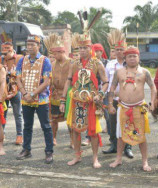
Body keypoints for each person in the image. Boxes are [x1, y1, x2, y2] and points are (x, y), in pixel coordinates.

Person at [60, 9, 108, 168]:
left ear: (91, 49)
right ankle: (77, 156)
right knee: (75, 130)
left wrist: (100, 94)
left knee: (93, 131)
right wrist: (63, 100)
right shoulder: (74, 63)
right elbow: (68, 81)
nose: (82, 51)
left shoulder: (97, 63)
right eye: (80, 48)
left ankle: (95, 158)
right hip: (75, 101)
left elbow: (106, 82)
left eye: (85, 48)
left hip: (91, 101)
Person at [108, 46, 156, 171]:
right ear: (125, 58)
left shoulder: (144, 72)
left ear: (138, 57)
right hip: (123, 107)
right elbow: (112, 88)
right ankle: (118, 159)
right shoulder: (119, 72)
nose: (132, 58)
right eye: (129, 56)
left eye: (134, 56)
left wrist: (153, 102)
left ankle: (145, 161)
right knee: (120, 135)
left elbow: (153, 87)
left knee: (141, 135)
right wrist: (109, 104)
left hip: (139, 107)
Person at [15, 35, 54, 164]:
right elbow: (18, 78)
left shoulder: (45, 61)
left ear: (38, 46)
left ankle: (49, 151)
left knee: (46, 126)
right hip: (26, 98)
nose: (30, 47)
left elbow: (46, 82)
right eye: (28, 44)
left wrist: (32, 94)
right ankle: (26, 149)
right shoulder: (22, 60)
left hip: (41, 99)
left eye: (33, 45)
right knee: (27, 126)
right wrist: (25, 93)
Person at [103, 29, 134, 158]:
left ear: (125, 51)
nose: (119, 52)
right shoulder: (110, 64)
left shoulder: (131, 64)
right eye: (117, 50)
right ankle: (114, 145)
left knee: (127, 122)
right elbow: (106, 81)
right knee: (112, 122)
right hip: (112, 99)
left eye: (121, 50)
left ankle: (128, 147)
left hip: (127, 99)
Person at [45, 33, 72, 146]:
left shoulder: (72, 63)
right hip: (55, 95)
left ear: (62, 52)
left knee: (70, 120)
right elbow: (49, 80)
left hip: (69, 95)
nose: (53, 56)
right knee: (54, 120)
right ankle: (53, 138)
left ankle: (72, 140)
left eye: (55, 53)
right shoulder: (52, 64)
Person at [0, 41, 24, 145]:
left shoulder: (19, 58)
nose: (4, 56)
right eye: (3, 53)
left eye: (6, 53)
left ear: (11, 50)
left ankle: (19, 135)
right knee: (2, 112)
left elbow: (22, 74)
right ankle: (1, 134)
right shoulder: (1, 59)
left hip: (16, 89)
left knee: (17, 113)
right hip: (4, 89)